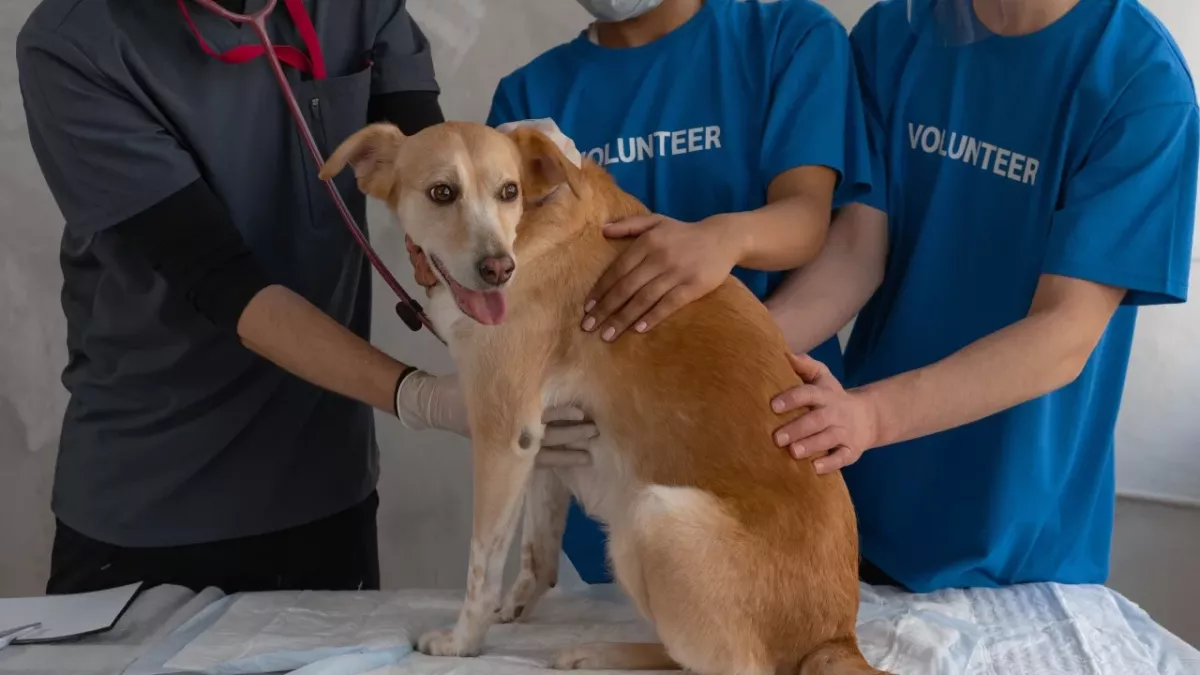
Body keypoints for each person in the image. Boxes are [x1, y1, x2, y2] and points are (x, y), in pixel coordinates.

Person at [18, 0, 594, 595]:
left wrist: (487, 204)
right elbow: (220, 281)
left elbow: (425, 151)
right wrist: (422, 398)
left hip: (323, 487)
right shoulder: (75, 41)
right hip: (153, 503)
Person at [767, 0, 1197, 592]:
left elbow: (1063, 333)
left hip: (1019, 544)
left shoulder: (1140, 78)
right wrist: (726, 357)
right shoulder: (898, 32)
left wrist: (872, 415)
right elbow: (855, 253)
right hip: (862, 501)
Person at [461, 0, 873, 583]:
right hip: (609, 479)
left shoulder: (787, 36)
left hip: (763, 438)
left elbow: (808, 220)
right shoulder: (529, 100)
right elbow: (507, 287)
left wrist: (728, 237)